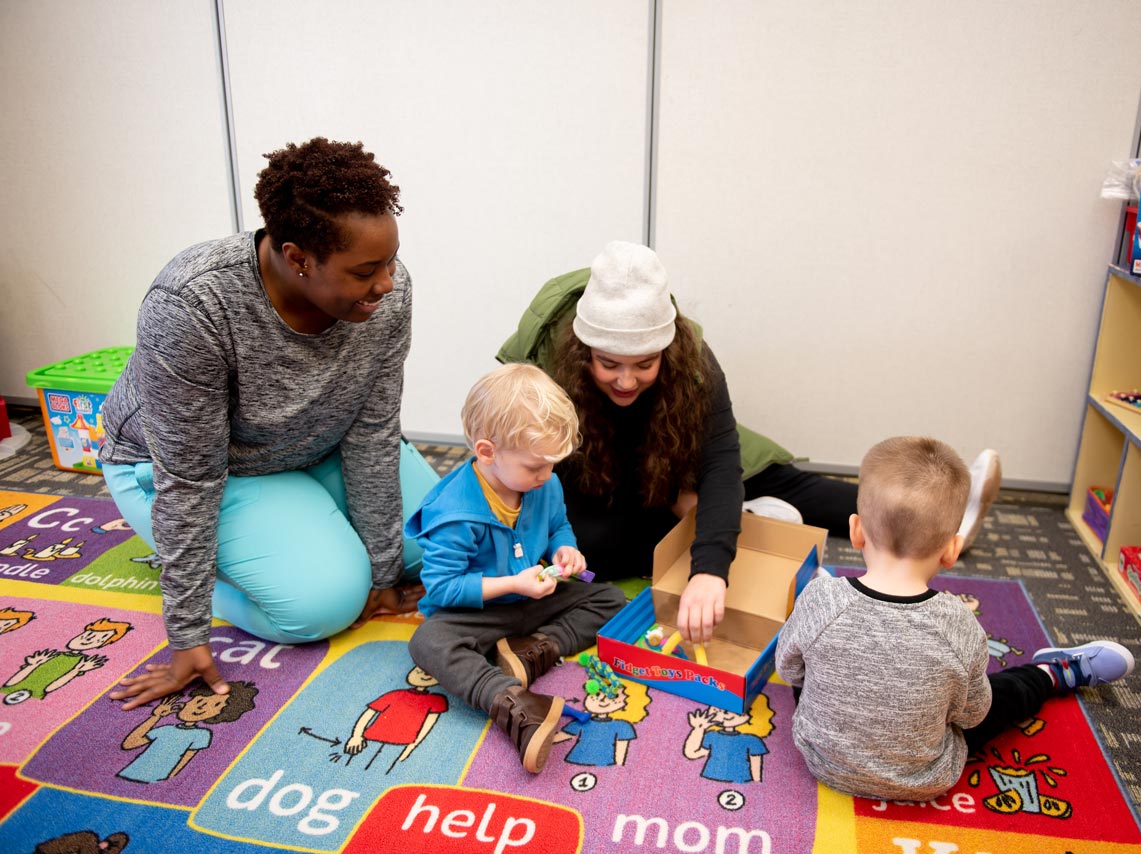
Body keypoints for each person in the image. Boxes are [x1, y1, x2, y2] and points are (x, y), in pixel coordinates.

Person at [497, 241, 1002, 644]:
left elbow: (720, 461)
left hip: (674, 459)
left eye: (644, 365)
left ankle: (939, 514)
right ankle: (742, 517)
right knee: (590, 550)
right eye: (609, 365)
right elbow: (530, 472)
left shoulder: (695, 361)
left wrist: (710, 571)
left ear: (667, 352)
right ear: (583, 351)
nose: (626, 381)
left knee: (767, 477)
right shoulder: (548, 366)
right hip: (597, 478)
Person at [101, 137, 439, 712]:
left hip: (317, 446)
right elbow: (190, 478)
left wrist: (384, 576)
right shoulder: (192, 304)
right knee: (323, 603)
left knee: (444, 543)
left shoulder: (385, 295)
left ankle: (329, 541)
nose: (388, 282)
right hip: (195, 471)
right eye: (365, 270)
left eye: (390, 260)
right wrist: (186, 635)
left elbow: (374, 431)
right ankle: (201, 569)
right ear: (298, 257)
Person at [775, 435, 1134, 801]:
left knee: (811, 646)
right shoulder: (958, 624)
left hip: (824, 762)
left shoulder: (820, 599)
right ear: (952, 550)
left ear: (855, 531)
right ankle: (1053, 674)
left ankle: (826, 643)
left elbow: (789, 670)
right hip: (922, 777)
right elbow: (973, 714)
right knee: (1002, 696)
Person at [404, 363, 628, 774]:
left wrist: (566, 551)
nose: (546, 476)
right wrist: (512, 583)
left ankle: (532, 651)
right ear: (487, 452)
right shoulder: (455, 515)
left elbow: (558, 525)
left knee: (612, 598)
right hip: (477, 612)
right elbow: (440, 590)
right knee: (428, 642)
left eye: (551, 465)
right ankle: (514, 701)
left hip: (535, 598)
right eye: (534, 467)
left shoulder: (545, 484)